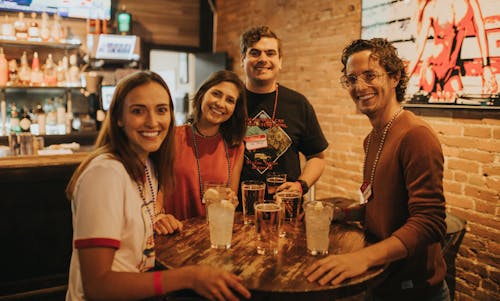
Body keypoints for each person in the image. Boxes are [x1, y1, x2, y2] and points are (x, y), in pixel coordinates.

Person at [65, 71, 250, 300]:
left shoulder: (148, 169)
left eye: (161, 110)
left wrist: (160, 217)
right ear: (119, 117)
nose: (152, 122)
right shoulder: (106, 174)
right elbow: (98, 286)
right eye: (138, 111)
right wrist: (189, 277)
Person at [304, 38, 449, 301]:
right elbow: (381, 206)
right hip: (380, 281)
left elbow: (430, 221)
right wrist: (341, 214)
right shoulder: (372, 139)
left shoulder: (415, 135)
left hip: (414, 290)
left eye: (370, 75)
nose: (359, 87)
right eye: (352, 79)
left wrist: (362, 258)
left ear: (394, 78)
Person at [239, 25, 328, 199]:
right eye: (255, 53)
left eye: (270, 53)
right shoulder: (230, 102)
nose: (263, 59)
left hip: (286, 210)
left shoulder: (298, 103)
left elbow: (317, 157)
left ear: (280, 61)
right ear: (243, 59)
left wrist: (301, 185)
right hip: (237, 209)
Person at [164, 70, 247, 220]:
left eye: (230, 100)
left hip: (212, 234)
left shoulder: (235, 146)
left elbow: (230, 200)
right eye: (216, 94)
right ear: (202, 94)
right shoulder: (172, 137)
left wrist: (232, 200)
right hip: (173, 234)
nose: (221, 103)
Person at [407, 0, 497, 100]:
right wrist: (401, 82)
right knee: (429, 113)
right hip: (432, 69)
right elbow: (419, 49)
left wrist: (486, 65)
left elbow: (479, 26)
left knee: (460, 112)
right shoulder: (431, 5)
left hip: (453, 69)